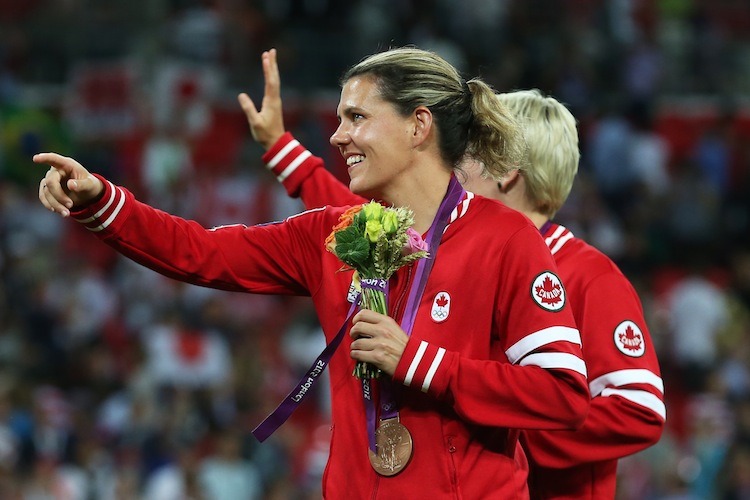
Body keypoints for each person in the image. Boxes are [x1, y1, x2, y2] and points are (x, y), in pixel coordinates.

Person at [35, 46, 590, 499]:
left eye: (357, 117)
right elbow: (201, 251)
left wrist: (419, 363)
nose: (337, 135)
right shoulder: (331, 233)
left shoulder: (507, 241)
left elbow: (563, 396)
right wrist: (100, 200)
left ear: (419, 125)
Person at [240, 49, 665, 499]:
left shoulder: (588, 276)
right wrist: (281, 149)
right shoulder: (455, 242)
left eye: (469, 153)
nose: (451, 164)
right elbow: (356, 218)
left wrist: (501, 422)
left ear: (506, 174)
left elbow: (639, 410)